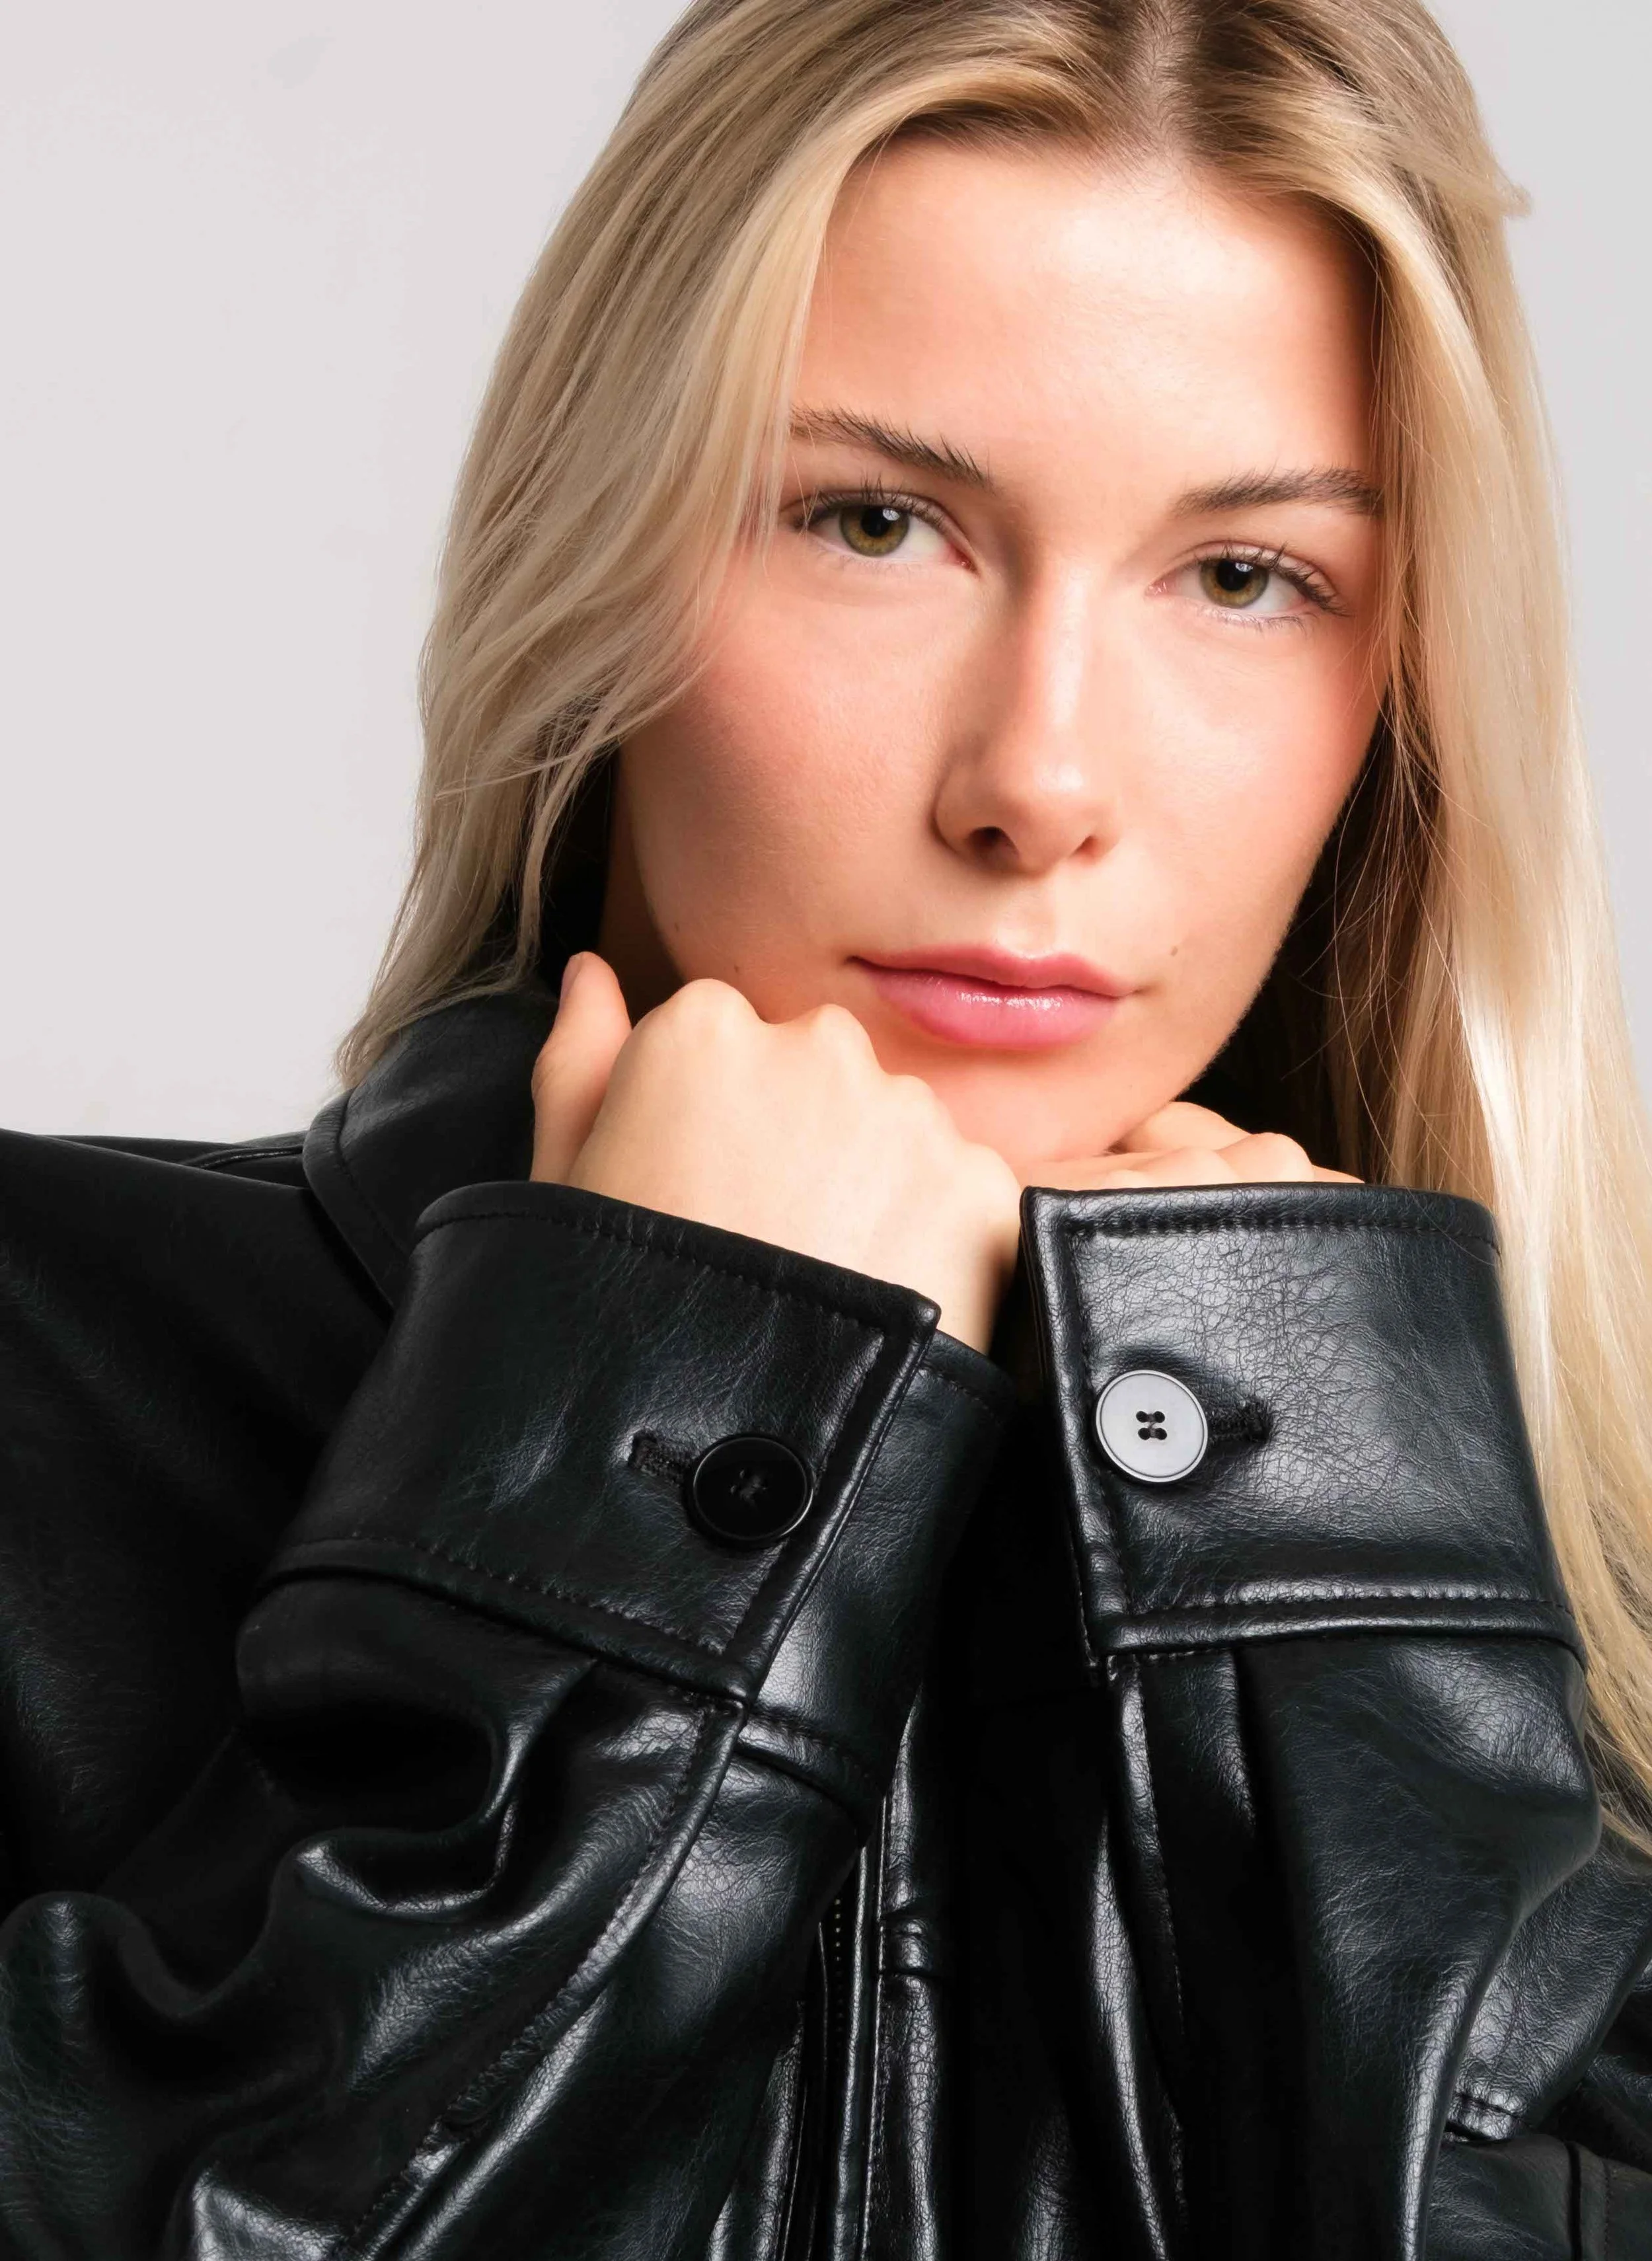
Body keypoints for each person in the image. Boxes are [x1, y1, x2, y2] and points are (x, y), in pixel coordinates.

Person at [3, 0, 1652, 2252]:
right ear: (593, 560)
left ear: (1404, 693)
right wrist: (649, 1467)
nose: (1036, 781)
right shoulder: (38, 1368)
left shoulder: (1569, 1561)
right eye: (874, 521)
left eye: (1245, 576)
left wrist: (1328, 1623)